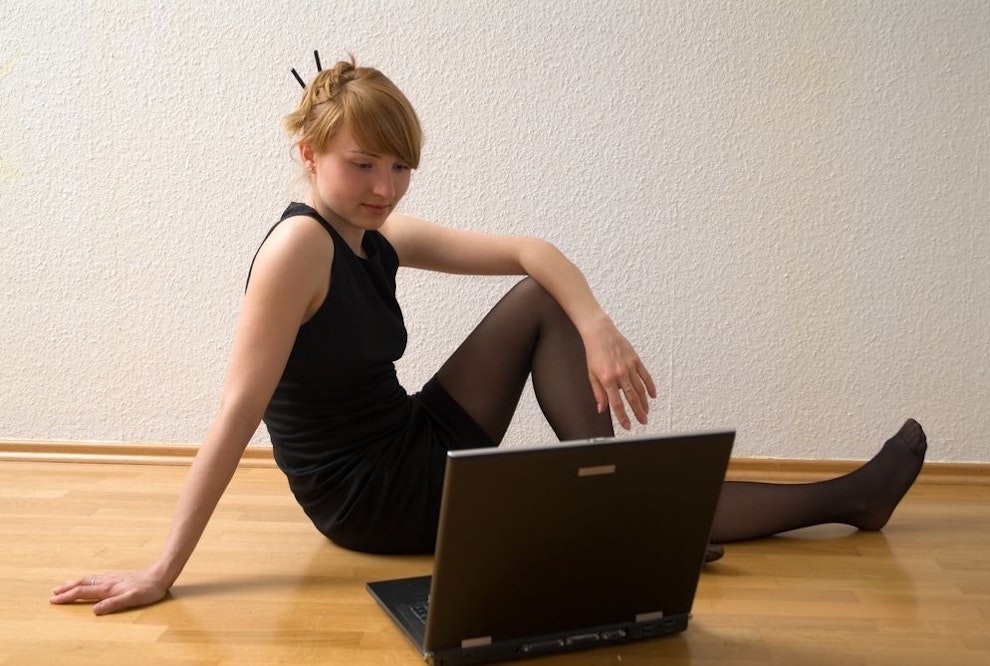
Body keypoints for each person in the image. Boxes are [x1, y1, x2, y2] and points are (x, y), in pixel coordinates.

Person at [50, 55, 927, 616]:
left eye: (400, 167)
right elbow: (237, 412)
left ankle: (620, 506)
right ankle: (824, 501)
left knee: (541, 298)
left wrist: (598, 326)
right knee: (605, 484)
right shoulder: (297, 250)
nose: (385, 187)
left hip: (406, 436)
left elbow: (528, 253)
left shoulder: (371, 234)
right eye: (363, 165)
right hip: (367, 493)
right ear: (309, 155)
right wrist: (162, 570)